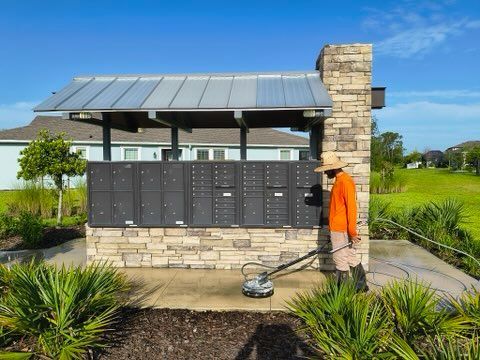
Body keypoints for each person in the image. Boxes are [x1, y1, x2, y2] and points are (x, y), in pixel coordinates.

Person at [314, 151, 368, 292]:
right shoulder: (338, 181)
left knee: (340, 259)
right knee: (349, 256)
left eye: (327, 170)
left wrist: (352, 232)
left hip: (340, 229)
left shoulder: (345, 182)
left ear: (333, 168)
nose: (326, 173)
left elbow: (351, 208)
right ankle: (361, 287)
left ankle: (340, 294)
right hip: (338, 227)